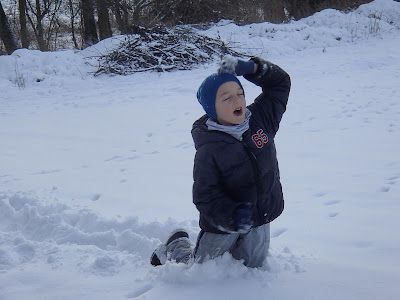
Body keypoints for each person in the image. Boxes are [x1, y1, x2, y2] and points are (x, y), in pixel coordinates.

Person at [150, 55, 291, 268]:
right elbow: (205, 196)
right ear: (212, 109)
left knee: (251, 265)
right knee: (202, 269)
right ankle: (176, 245)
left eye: (240, 93)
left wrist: (252, 68)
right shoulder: (209, 148)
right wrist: (233, 217)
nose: (237, 101)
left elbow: (280, 84)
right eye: (226, 98)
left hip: (261, 215)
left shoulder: (262, 119)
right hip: (224, 224)